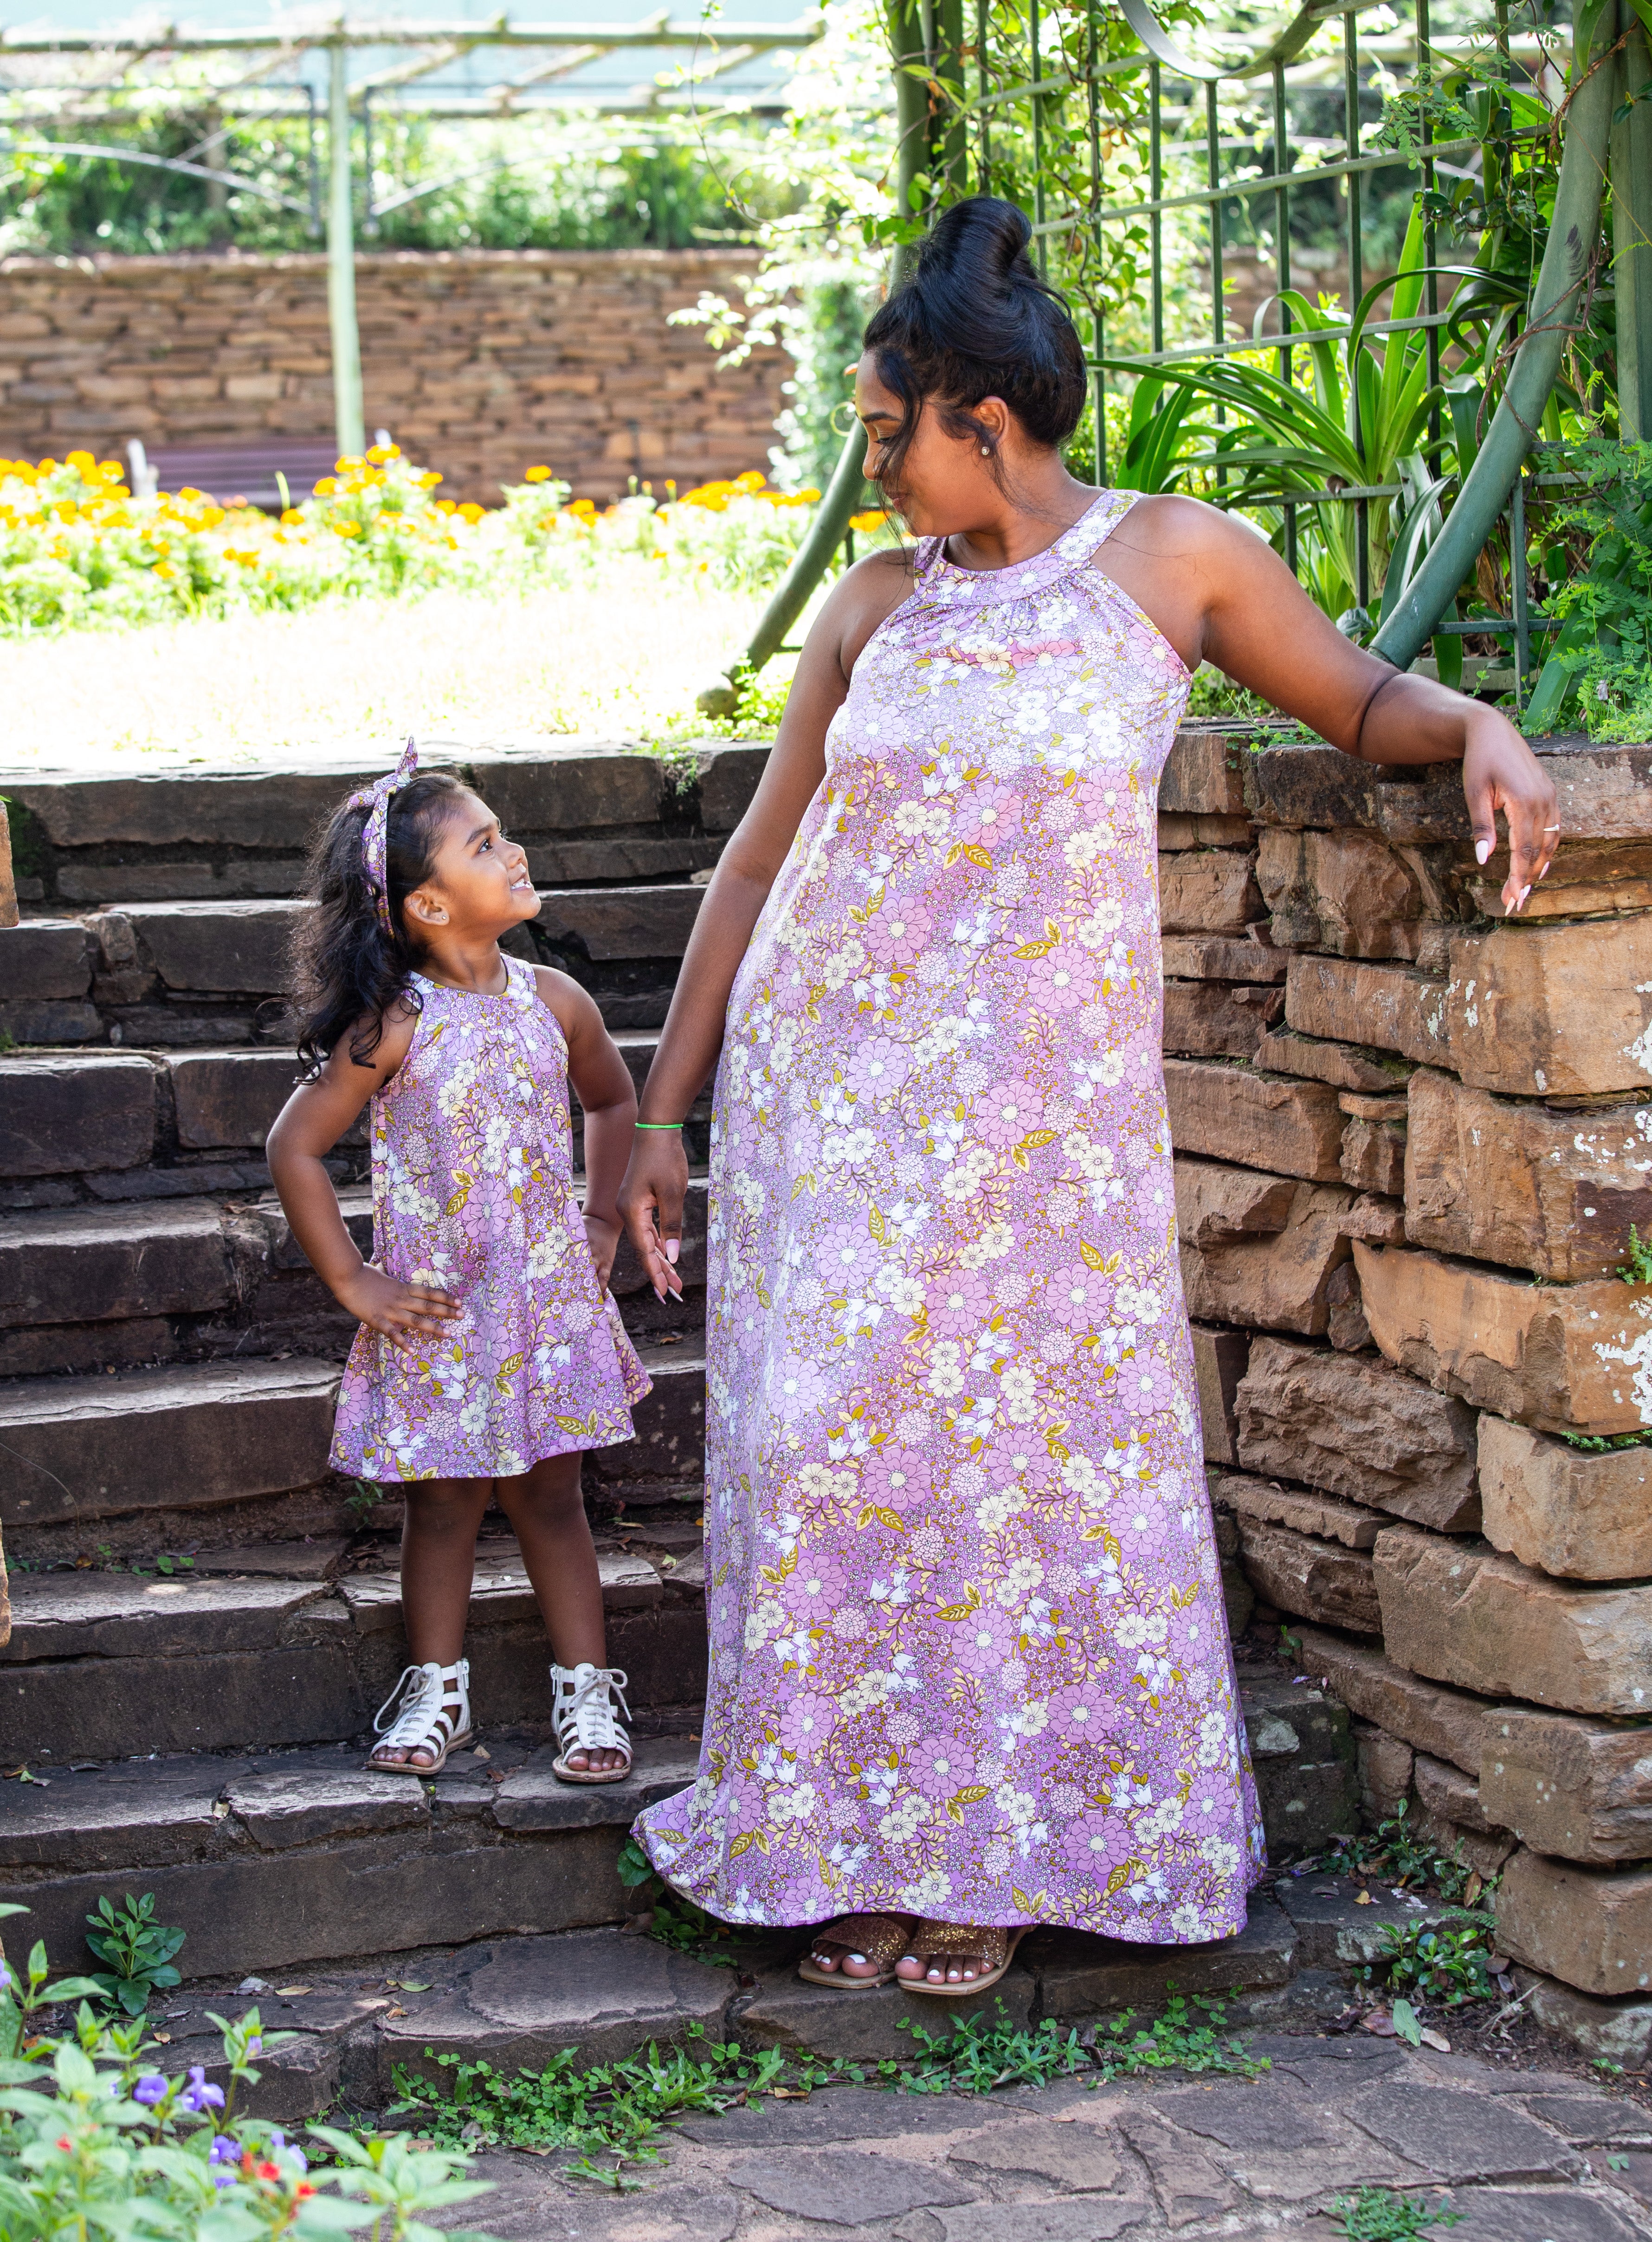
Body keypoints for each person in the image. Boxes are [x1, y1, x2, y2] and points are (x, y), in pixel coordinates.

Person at [618, 195, 1559, 1992]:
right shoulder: (869, 607)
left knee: (1026, 1479)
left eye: (885, 432)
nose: (868, 466)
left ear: (978, 417)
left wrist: (1481, 730)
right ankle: (847, 1836)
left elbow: (1352, 700)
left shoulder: (1173, 560)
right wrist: (661, 1113)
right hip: (833, 1110)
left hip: (1041, 1132)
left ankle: (996, 1850)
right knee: (833, 1461)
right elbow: (752, 864)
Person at [267, 742, 650, 1782]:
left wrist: (603, 1221)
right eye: (485, 845)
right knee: (440, 1503)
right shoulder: (394, 1025)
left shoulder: (554, 1001)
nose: (514, 850)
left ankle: (588, 1694)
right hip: (441, 1309)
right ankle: (437, 1689)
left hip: (547, 1307)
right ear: (429, 906)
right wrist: (355, 1280)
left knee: (554, 1499)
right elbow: (293, 1146)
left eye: (502, 832)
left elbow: (614, 1099)